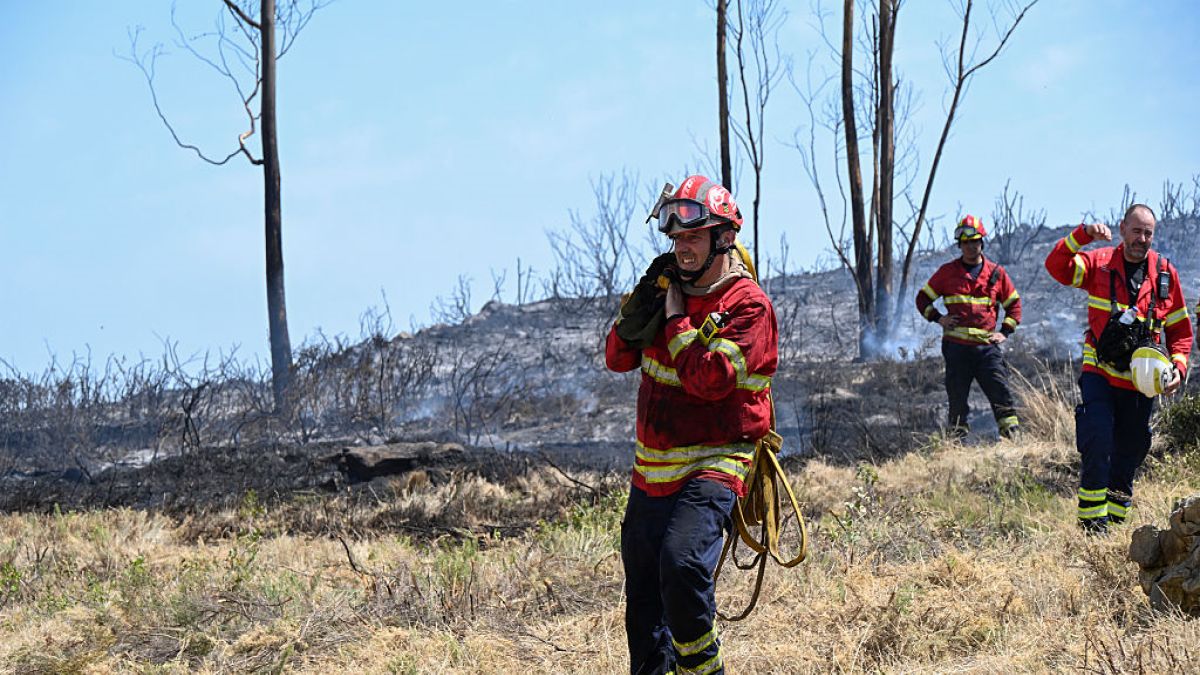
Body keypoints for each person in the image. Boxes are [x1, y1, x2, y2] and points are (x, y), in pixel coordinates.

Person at [605, 175, 777, 675]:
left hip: (716, 461)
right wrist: (639, 310)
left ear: (724, 238)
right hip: (652, 470)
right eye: (677, 238)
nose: (682, 248)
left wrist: (677, 322)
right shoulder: (664, 292)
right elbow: (616, 359)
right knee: (644, 595)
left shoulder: (749, 307)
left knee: (681, 566)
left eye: (694, 237)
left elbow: (710, 380)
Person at [1045, 204, 1193, 532]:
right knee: (1097, 437)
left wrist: (1178, 370)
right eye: (1136, 231)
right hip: (1099, 372)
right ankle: (1091, 526)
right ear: (1123, 229)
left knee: (1131, 450)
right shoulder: (1099, 264)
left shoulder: (1165, 275)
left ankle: (1115, 523)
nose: (1142, 239)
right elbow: (1056, 265)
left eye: (1148, 233)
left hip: (1141, 383)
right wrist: (1083, 234)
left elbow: (1181, 333)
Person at [915, 215, 1023, 439]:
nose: (971, 246)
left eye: (974, 241)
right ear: (960, 245)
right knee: (957, 399)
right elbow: (922, 299)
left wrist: (1004, 332)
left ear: (981, 242)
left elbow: (1014, 305)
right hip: (957, 348)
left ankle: (1013, 438)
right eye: (966, 242)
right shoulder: (947, 272)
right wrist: (939, 318)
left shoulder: (996, 273)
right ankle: (956, 443)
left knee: (1001, 392)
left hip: (987, 348)